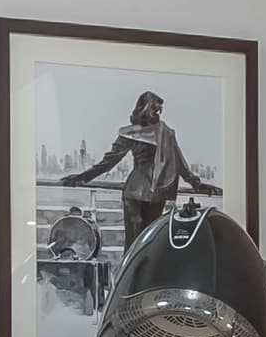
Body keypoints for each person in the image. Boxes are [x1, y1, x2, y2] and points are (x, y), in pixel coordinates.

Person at [61, 90, 219, 245]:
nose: (158, 112)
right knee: (135, 244)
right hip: (136, 194)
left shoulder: (166, 133)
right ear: (143, 108)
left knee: (150, 243)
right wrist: (81, 177)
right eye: (154, 108)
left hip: (156, 195)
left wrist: (197, 183)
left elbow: (179, 163)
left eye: (159, 109)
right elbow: (108, 162)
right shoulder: (130, 134)